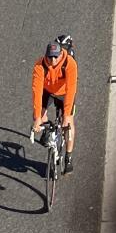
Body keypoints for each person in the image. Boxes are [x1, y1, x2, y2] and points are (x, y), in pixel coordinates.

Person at [32, 37, 78, 173]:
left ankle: (68, 157)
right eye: (50, 57)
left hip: (64, 93)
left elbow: (71, 90)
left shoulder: (70, 64)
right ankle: (48, 131)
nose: (52, 61)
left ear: (61, 55)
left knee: (68, 122)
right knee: (39, 115)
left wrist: (67, 114)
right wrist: (37, 118)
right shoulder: (39, 66)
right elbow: (37, 91)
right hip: (47, 91)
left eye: (55, 57)